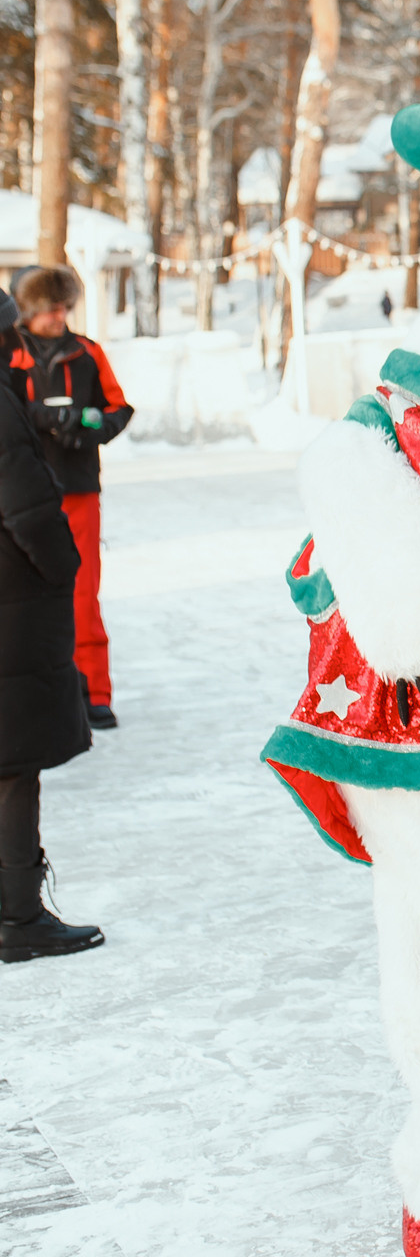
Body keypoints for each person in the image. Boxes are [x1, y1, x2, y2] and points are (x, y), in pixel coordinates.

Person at [0, 287, 100, 964]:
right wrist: (62, 564)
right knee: (13, 762)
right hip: (13, 601)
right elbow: (26, 502)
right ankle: (19, 914)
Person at [2, 265, 133, 729]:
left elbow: (118, 409)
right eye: (49, 308)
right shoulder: (10, 351)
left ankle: (93, 690)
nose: (59, 316)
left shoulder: (87, 352)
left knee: (82, 591)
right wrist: (40, 417)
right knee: (20, 595)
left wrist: (87, 425)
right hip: (22, 487)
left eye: (63, 306)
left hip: (77, 488)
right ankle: (33, 697)